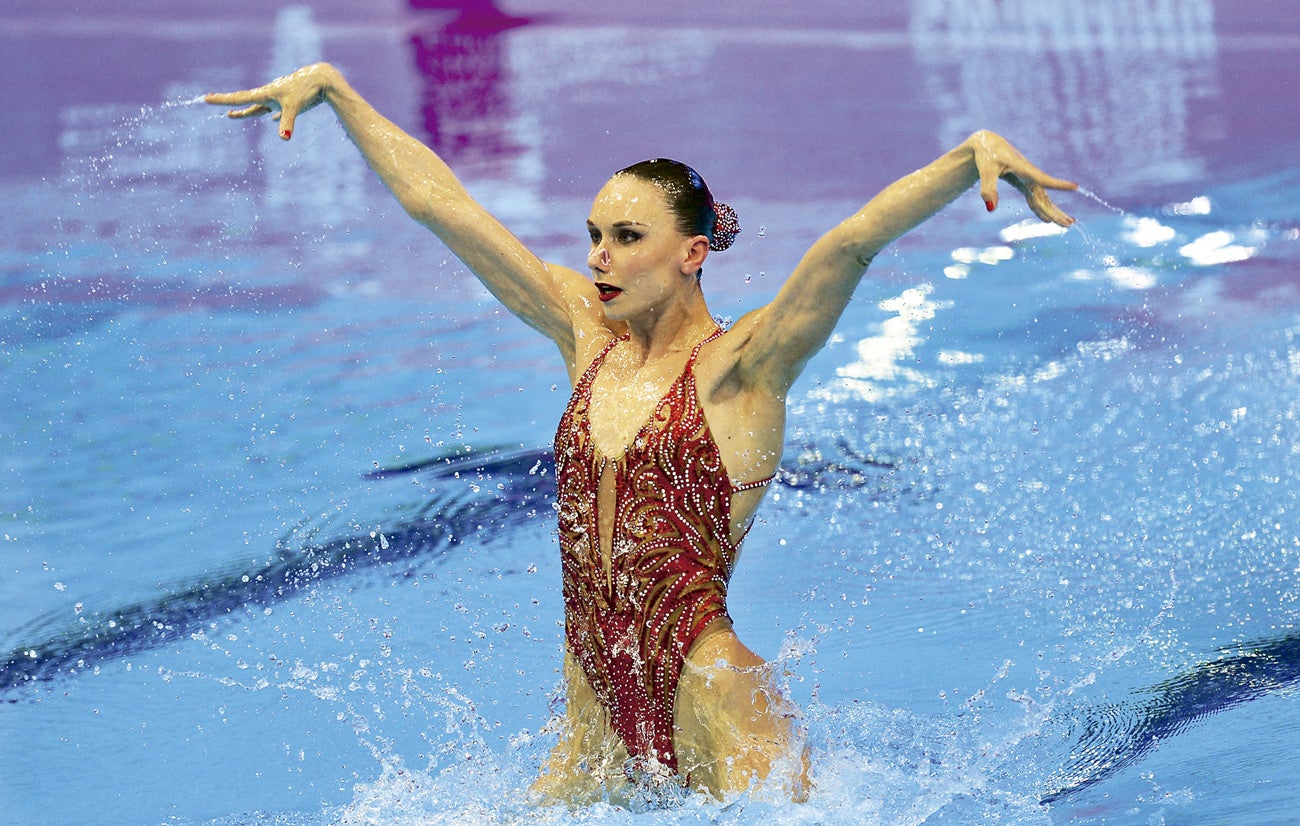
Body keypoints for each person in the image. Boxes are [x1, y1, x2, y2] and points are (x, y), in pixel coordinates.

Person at [206, 62, 1075, 805]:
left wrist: (968, 161)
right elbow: (445, 208)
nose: (599, 258)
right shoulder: (584, 335)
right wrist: (336, 93)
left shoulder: (743, 367)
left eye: (627, 238)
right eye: (594, 237)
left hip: (712, 695)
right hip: (593, 698)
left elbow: (847, 246)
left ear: (693, 252)